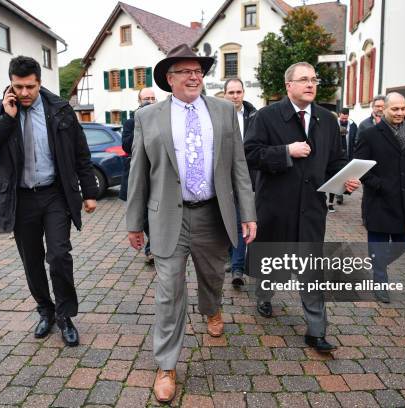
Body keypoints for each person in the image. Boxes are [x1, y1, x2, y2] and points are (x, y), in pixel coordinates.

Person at [126, 44, 256, 402]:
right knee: (170, 292)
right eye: (184, 71)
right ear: (169, 79)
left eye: (197, 70)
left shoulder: (224, 111)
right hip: (168, 215)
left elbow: (238, 168)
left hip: (212, 214)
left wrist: (248, 213)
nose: (194, 75)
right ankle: (166, 365)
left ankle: (212, 308)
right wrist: (134, 224)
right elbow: (139, 173)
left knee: (213, 276)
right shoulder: (148, 117)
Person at [0, 56, 97, 347]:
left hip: (55, 195)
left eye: (30, 87)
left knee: (58, 256)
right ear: (11, 84)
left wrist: (89, 193)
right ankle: (46, 310)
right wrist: (6, 117)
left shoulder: (61, 110)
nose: (25, 93)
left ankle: (66, 315)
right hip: (22, 198)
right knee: (32, 261)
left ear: (39, 83)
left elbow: (81, 153)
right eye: (19, 87)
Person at [244, 62, 360, 352]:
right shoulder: (267, 116)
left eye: (314, 80)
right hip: (276, 207)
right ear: (289, 86)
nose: (311, 84)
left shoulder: (327, 119)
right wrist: (286, 151)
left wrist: (345, 179)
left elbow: (335, 160)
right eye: (304, 80)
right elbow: (250, 154)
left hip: (311, 209)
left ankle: (316, 331)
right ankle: (264, 296)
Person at [354, 92, 405, 303]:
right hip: (380, 201)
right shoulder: (369, 134)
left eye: (403, 109)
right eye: (395, 109)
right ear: (383, 110)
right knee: (379, 244)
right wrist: (381, 185)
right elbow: (360, 168)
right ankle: (380, 280)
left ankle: (378, 266)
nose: (400, 113)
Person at [223, 77, 257, 286]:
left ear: (243, 93)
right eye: (231, 92)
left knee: (240, 222)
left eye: (238, 92)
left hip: (248, 178)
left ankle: (238, 267)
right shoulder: (217, 116)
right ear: (225, 94)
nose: (235, 96)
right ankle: (233, 257)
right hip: (224, 179)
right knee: (226, 221)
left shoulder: (254, 116)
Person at [119, 87, 157, 264]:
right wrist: (139, 125)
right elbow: (127, 146)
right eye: (146, 98)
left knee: (155, 213)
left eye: (152, 98)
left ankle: (153, 248)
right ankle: (151, 246)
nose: (149, 101)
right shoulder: (130, 122)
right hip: (138, 175)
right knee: (142, 215)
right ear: (139, 101)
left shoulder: (162, 120)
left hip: (157, 176)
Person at [328, 107, 358, 210]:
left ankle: (339, 195)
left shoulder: (353, 125)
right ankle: (335, 198)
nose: (344, 120)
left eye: (346, 118)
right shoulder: (332, 123)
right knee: (334, 177)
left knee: (344, 176)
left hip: (348, 154)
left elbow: (355, 139)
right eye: (342, 118)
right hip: (335, 156)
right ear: (339, 114)